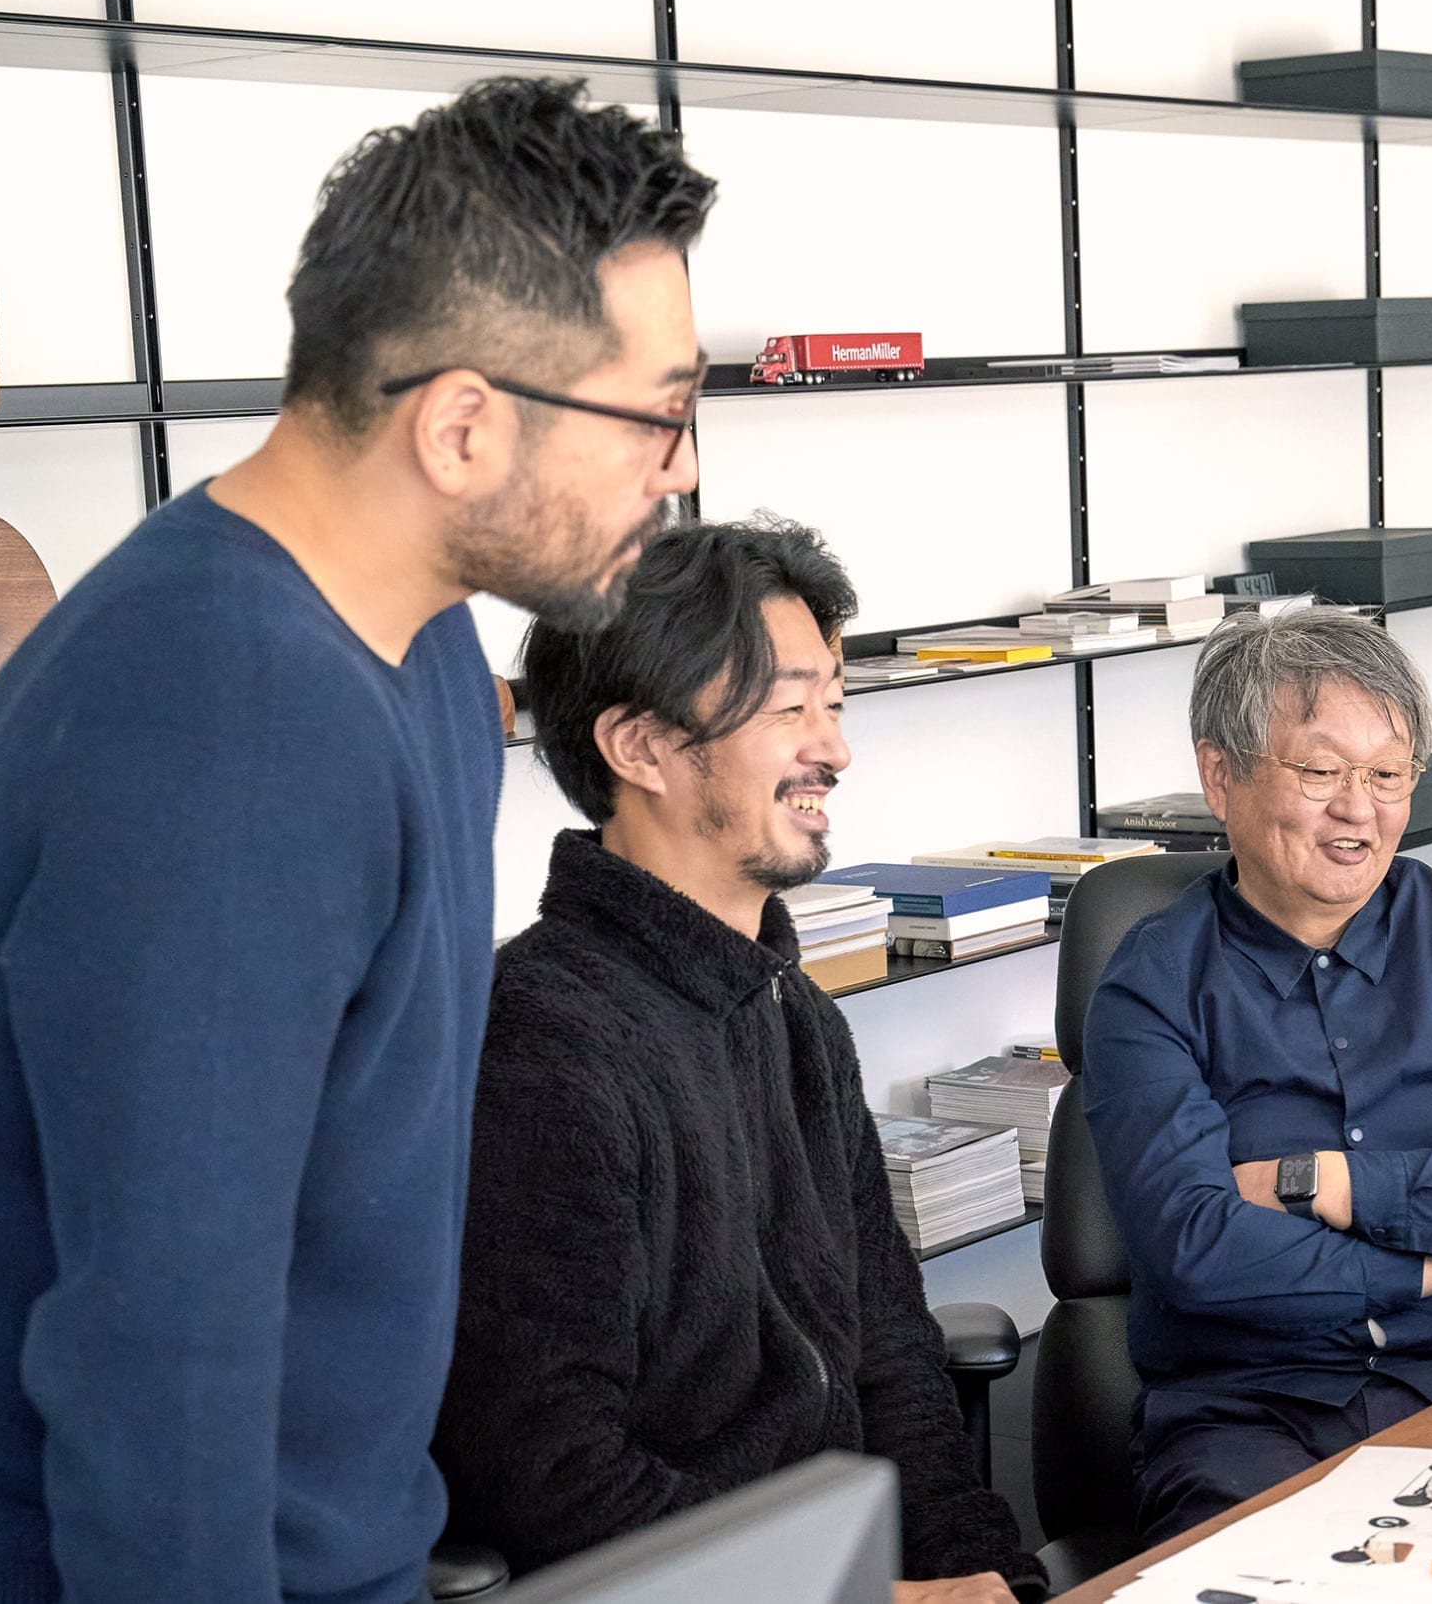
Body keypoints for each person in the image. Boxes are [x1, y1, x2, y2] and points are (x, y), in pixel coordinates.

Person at [0, 78, 713, 1604]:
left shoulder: (429, 653)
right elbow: (155, 1364)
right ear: (461, 426)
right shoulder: (221, 718)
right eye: (660, 412)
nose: (683, 467)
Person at [433, 518, 1041, 1603]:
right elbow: (548, 1479)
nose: (836, 750)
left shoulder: (797, 1016)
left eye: (836, 706)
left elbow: (892, 1358)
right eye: (790, 708)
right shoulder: (535, 1049)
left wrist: (985, 1574)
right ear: (640, 747)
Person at [1081, 608, 1432, 1545]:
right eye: (1320, 771)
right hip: (1247, 1412)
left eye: (1388, 774)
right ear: (1220, 776)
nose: (1359, 808)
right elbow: (1195, 1248)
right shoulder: (1150, 980)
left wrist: (1316, 1183)